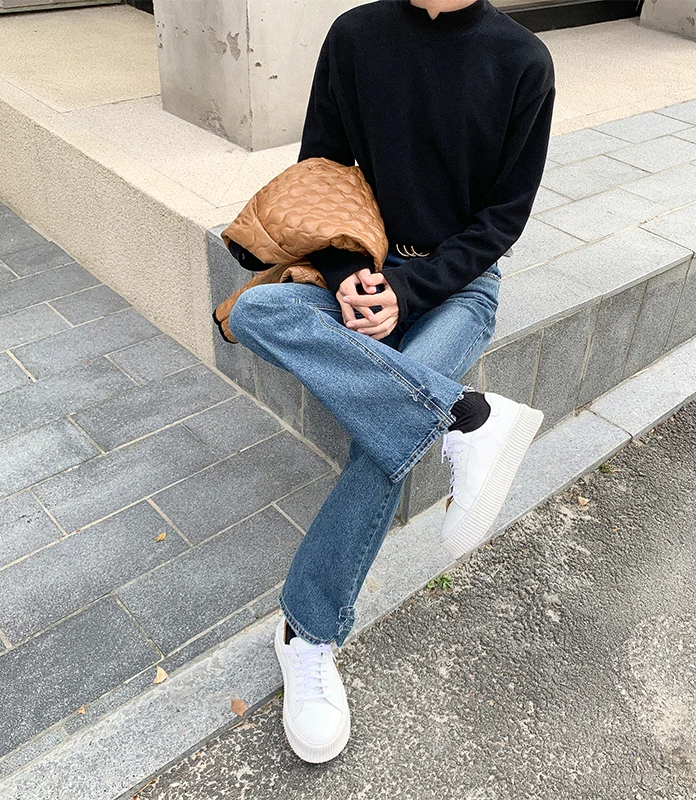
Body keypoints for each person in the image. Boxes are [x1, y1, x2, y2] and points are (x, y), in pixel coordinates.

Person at [227, 0, 555, 764]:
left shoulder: (522, 61)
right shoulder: (356, 35)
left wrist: (408, 292)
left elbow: (503, 218)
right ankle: (464, 416)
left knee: (383, 441)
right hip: (360, 261)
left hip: (459, 286)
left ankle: (306, 633)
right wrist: (350, 273)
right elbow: (322, 175)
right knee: (255, 311)